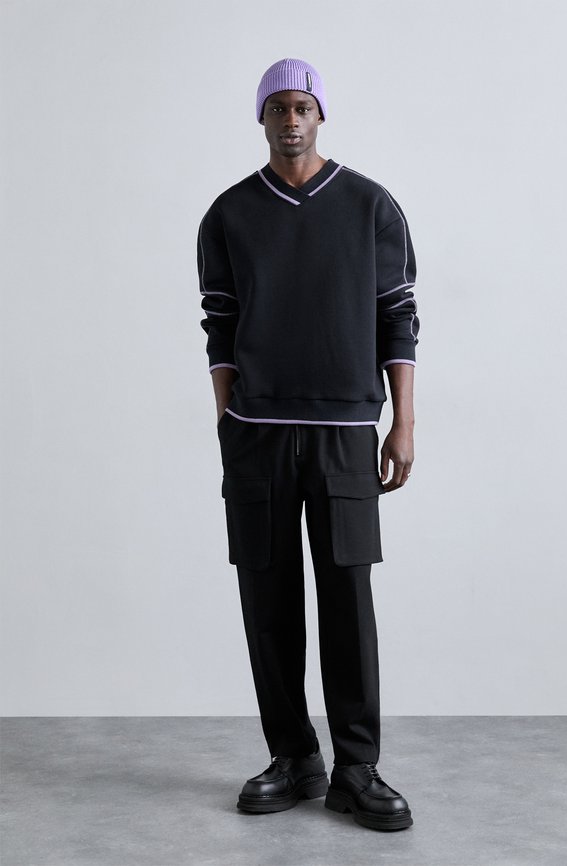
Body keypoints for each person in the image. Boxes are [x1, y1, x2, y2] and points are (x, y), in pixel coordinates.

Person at [197, 57, 419, 832]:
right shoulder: (229, 214)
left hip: (345, 432)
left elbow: (398, 316)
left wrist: (403, 422)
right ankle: (294, 757)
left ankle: (357, 767)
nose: (290, 120)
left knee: (347, 599)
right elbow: (219, 322)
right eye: (277, 108)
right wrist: (227, 418)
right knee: (268, 599)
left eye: (303, 107)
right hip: (256, 434)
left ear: (320, 115)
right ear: (261, 118)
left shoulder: (370, 207)